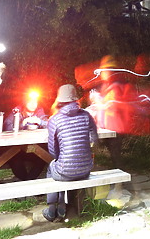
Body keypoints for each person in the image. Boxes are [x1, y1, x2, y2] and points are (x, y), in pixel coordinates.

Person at [42, 84, 98, 222]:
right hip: (85, 169)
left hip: (65, 171)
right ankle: (61, 206)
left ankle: (51, 208)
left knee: (53, 168)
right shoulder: (87, 115)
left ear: (59, 100)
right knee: (60, 168)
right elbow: (94, 140)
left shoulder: (54, 120)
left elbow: (53, 152)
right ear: (75, 99)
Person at [3, 91, 49, 180]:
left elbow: (49, 125)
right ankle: (26, 182)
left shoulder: (39, 111)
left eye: (35, 102)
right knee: (16, 161)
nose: (33, 104)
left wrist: (40, 122)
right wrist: (21, 124)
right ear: (25, 102)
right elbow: (6, 126)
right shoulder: (17, 111)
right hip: (16, 149)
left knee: (42, 159)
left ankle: (28, 182)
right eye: (30, 102)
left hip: (33, 149)